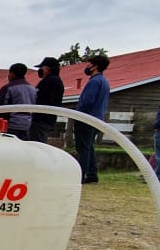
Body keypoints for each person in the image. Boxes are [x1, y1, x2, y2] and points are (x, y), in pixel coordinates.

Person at [74, 53, 111, 184]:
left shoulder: (94, 82)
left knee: (83, 148)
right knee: (89, 146)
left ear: (95, 66)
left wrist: (78, 114)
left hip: (86, 118)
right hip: (97, 118)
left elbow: (87, 101)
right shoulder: (104, 81)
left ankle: (81, 174)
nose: (87, 66)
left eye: (89, 64)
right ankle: (92, 173)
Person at [0, 63, 36, 139]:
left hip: (11, 127)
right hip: (27, 126)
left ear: (12, 73)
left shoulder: (8, 88)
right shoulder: (33, 89)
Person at [29, 57, 65, 143]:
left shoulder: (50, 81)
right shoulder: (55, 81)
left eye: (42, 68)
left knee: (37, 144)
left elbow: (45, 99)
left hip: (41, 119)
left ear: (48, 69)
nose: (41, 70)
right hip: (46, 119)